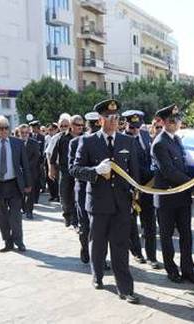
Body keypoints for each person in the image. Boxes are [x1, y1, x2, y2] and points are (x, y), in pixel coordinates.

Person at [72, 99, 140, 303]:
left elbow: (134, 173)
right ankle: (98, 275)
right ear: (101, 119)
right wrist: (95, 171)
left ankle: (126, 289)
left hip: (121, 203)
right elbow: (74, 170)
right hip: (98, 204)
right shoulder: (88, 141)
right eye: (110, 117)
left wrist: (136, 196)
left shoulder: (127, 141)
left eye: (117, 117)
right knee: (98, 244)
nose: (114, 121)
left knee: (120, 246)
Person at [151, 104, 194, 284]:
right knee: (167, 237)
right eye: (172, 120)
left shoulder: (177, 140)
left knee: (186, 236)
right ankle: (171, 270)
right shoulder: (159, 143)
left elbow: (184, 165)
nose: (176, 123)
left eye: (177, 119)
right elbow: (169, 171)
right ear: (163, 122)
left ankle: (188, 270)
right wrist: (193, 182)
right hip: (167, 198)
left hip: (182, 197)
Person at [0, 115, 31, 252]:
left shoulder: (17, 143)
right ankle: (7, 241)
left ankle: (19, 241)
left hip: (14, 184)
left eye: (6, 128)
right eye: (1, 129)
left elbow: (25, 165)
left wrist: (28, 183)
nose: (4, 131)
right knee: (1, 216)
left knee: (15, 215)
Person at [122, 110, 160, 269]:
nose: (134, 130)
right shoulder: (121, 140)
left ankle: (152, 256)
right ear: (125, 124)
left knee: (150, 224)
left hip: (148, 188)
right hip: (130, 189)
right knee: (131, 224)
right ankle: (136, 252)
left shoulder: (145, 136)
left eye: (137, 126)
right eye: (131, 127)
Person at [68, 112, 99, 264]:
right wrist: (93, 173)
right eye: (92, 125)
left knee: (99, 225)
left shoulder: (104, 142)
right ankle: (86, 248)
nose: (94, 128)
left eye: (97, 125)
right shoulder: (76, 143)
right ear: (88, 125)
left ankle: (99, 256)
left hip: (101, 190)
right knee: (85, 224)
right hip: (83, 188)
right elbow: (72, 169)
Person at [50, 115, 84, 228]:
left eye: (81, 125)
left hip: (79, 171)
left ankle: (75, 220)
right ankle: (67, 215)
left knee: (77, 195)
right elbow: (53, 156)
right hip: (65, 171)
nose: (80, 127)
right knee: (64, 196)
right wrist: (51, 169)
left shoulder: (85, 138)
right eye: (77, 125)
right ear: (71, 125)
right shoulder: (62, 138)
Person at [18, 124, 41, 220]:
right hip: (18, 172)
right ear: (19, 133)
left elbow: (36, 158)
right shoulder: (15, 142)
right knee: (20, 192)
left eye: (26, 132)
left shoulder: (34, 143)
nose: (24, 134)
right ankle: (23, 208)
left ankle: (29, 211)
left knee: (30, 192)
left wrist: (25, 167)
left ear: (29, 133)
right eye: (22, 133)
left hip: (30, 172)